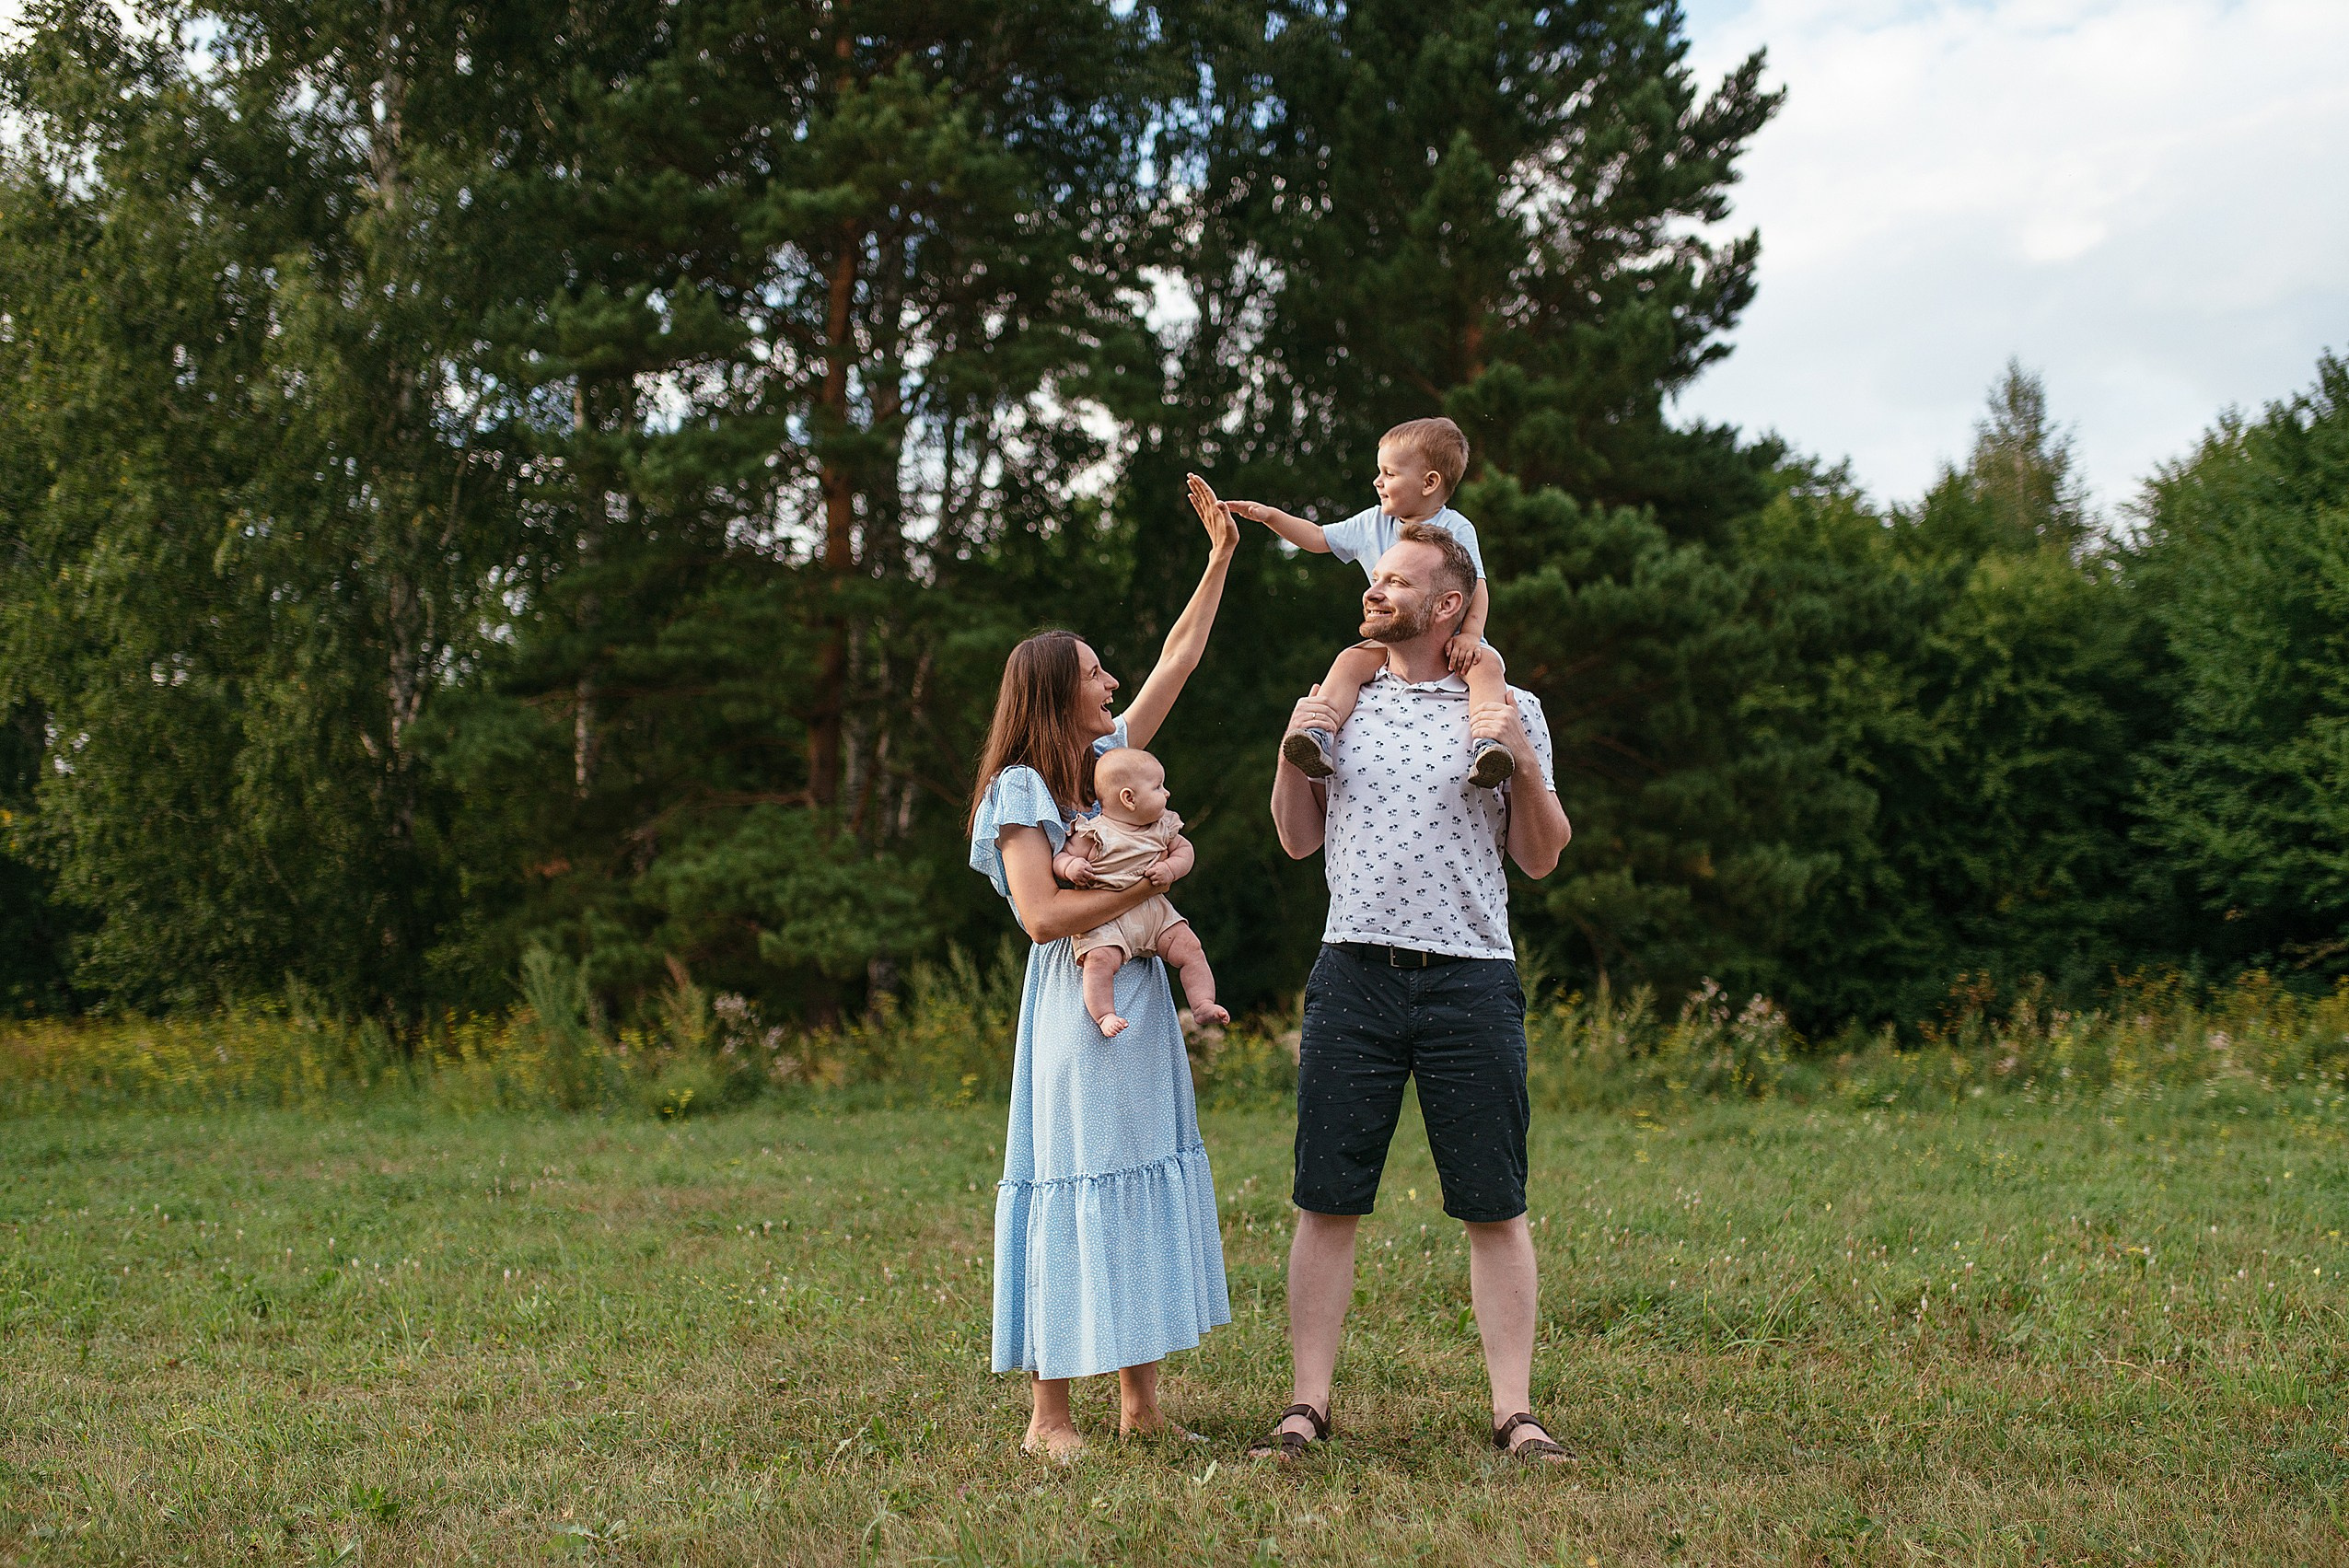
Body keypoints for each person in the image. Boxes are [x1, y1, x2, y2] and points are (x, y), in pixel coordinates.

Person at [1255, 519, 1576, 1464]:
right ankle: (1307, 1403)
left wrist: (1516, 749)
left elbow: (1542, 854)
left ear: (1448, 605)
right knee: (1326, 1196)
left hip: (1469, 978)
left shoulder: (1507, 704)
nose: (1373, 589)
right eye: (1373, 576)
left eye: (1396, 580)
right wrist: (1289, 747)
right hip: (1351, 969)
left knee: (1493, 1201)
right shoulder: (1336, 702)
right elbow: (1295, 839)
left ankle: (1514, 1411)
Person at [966, 475, 1241, 1461]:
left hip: (1140, 998)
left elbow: (1177, 660)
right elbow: (1042, 914)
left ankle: (1142, 1404)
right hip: (1077, 1003)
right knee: (1076, 1179)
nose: (1111, 680)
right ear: (1054, 687)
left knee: (1133, 1176)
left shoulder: (1105, 764)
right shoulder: (1021, 788)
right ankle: (1049, 1418)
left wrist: (1216, 563)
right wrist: (1151, 886)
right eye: (1092, 671)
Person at [1223, 416, 1517, 788]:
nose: (1378, 481)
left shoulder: (1456, 528)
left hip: (1452, 639)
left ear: (1429, 483)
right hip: (1392, 638)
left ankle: (1489, 747)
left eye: (1389, 473)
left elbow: (1476, 586)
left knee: (1486, 667)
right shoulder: (1372, 523)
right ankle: (1317, 735)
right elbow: (1316, 537)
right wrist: (1270, 517)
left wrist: (1471, 635)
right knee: (1349, 661)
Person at [1052, 748, 1229, 1039]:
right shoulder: (1095, 833)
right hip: (1106, 918)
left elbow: (1185, 851)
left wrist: (1171, 869)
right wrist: (1072, 867)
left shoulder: (1162, 827)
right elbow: (1060, 857)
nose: (1167, 793)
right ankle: (1104, 1014)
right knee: (1098, 963)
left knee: (1190, 948)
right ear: (1128, 798)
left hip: (1154, 913)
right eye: (1158, 786)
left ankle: (1202, 1004)